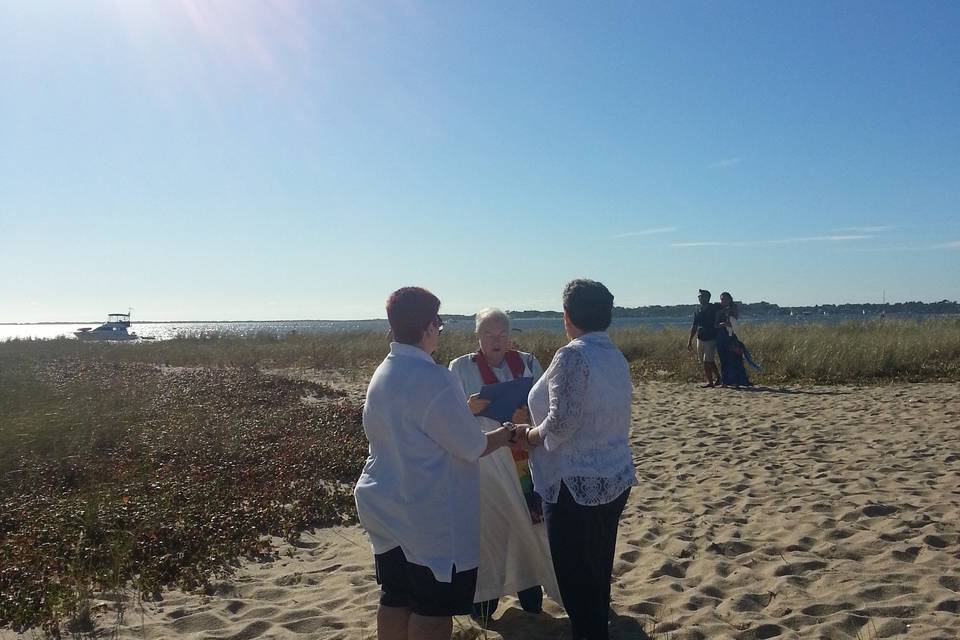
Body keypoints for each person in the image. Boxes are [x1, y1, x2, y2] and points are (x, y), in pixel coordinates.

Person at [354, 287, 525, 640]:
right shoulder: (434, 378)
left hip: (383, 501)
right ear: (429, 327)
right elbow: (471, 445)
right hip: (425, 512)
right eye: (439, 325)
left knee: (396, 596)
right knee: (432, 609)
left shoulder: (384, 371)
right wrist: (508, 433)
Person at [519, 279, 637, 640]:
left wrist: (528, 437)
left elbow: (562, 422)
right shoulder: (613, 354)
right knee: (596, 574)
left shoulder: (573, 354)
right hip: (612, 477)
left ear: (567, 316)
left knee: (577, 581)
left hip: (575, 485)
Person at [448, 308, 560, 622]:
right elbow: (450, 415)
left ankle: (531, 599)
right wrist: (468, 407)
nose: (496, 341)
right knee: (490, 533)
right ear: (478, 338)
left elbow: (545, 404)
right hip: (487, 464)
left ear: (510, 336)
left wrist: (527, 415)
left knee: (528, 527)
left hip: (524, 461)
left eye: (501, 335)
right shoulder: (460, 367)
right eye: (489, 335)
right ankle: (484, 606)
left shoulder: (527, 363)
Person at [716, 292, 753, 388]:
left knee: (733, 360)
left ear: (730, 300)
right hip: (721, 336)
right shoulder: (719, 310)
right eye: (722, 299)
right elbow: (715, 324)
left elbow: (735, 324)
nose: (723, 301)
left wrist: (728, 323)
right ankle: (725, 381)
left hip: (730, 337)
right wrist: (721, 324)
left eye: (725, 299)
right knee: (723, 360)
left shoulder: (733, 309)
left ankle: (736, 381)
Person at [687, 289, 721, 387]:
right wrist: (689, 340)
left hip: (711, 338)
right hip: (700, 338)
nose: (700, 298)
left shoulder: (714, 307)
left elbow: (727, 307)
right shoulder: (697, 310)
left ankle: (710, 383)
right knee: (706, 361)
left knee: (707, 361)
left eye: (702, 296)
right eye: (699, 297)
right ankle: (719, 377)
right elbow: (694, 326)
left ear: (708, 297)